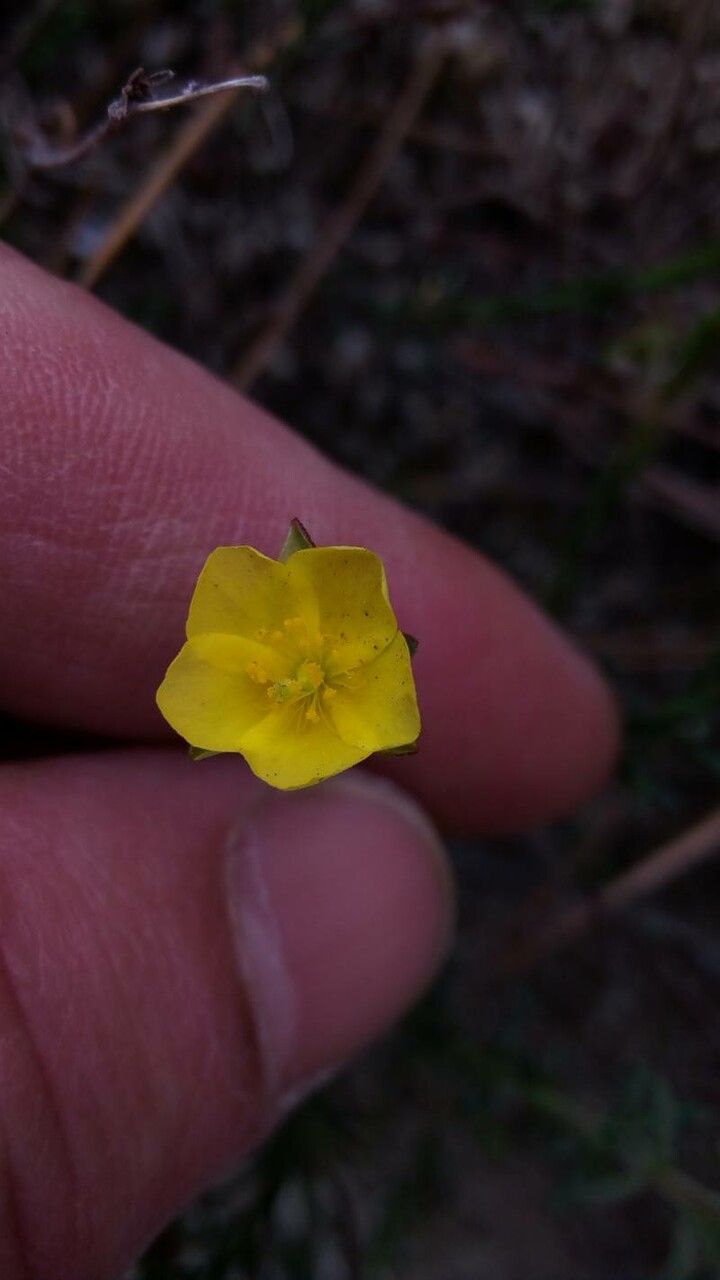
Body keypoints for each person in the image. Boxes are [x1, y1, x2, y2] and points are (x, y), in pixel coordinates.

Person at [0, 245, 619, 1279]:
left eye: (299, 674)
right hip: (285, 736)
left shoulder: (355, 649)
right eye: (291, 677)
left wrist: (325, 683)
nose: (292, 679)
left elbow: (344, 663)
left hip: (353, 703)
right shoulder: (255, 671)